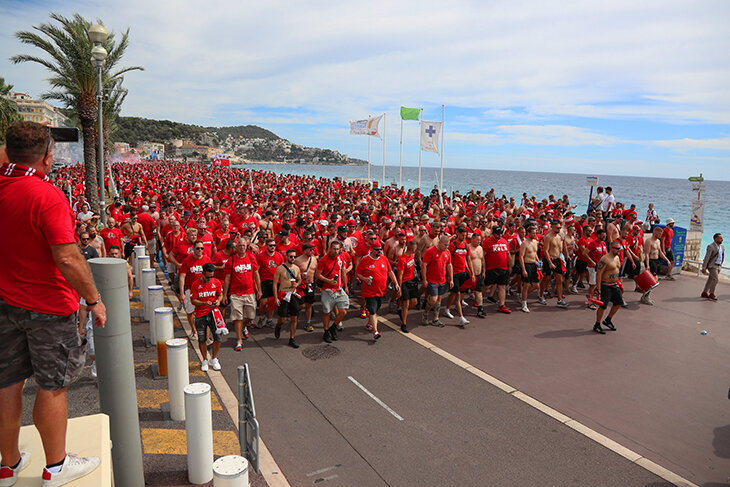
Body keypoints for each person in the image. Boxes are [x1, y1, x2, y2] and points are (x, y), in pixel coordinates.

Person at [0, 121, 105, 485]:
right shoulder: (46, 195)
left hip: (5, 303)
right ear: (48, 156)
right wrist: (93, 299)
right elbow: (68, 257)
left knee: (8, 382)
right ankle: (57, 467)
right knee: (52, 385)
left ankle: (8, 465)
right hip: (47, 306)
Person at [355, 242, 400, 340]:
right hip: (369, 291)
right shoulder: (365, 260)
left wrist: (396, 283)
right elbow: (357, 273)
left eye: (380, 249)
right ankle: (375, 331)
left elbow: (390, 271)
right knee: (372, 310)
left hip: (381, 290)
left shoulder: (384, 259)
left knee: (376, 309)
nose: (379, 251)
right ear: (372, 250)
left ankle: (369, 324)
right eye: (377, 249)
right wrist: (365, 279)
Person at [223, 237, 261, 351]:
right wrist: (225, 295)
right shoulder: (232, 260)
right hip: (235, 294)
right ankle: (239, 340)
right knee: (238, 317)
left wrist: (259, 290)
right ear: (236, 247)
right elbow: (227, 278)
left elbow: (256, 275)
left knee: (250, 316)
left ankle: (243, 327)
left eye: (244, 245)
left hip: (250, 292)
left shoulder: (251, 257)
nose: (242, 247)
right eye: (240, 245)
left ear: (246, 247)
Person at [189, 263, 223, 371]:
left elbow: (220, 294)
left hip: (214, 314)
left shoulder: (216, 282)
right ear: (203, 273)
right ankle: (204, 359)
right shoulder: (195, 284)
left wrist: (218, 301)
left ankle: (214, 358)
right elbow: (193, 300)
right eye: (208, 277)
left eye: (212, 276)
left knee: (218, 337)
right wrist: (204, 303)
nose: (210, 279)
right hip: (200, 315)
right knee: (202, 339)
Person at [315, 240, 349, 343]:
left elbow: (343, 273)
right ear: (330, 249)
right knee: (327, 312)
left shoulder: (341, 259)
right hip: (327, 290)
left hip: (339, 289)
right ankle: (326, 331)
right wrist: (328, 280)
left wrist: (346, 286)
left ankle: (333, 327)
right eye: (334, 248)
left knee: (343, 311)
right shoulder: (323, 260)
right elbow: (318, 275)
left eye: (337, 249)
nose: (335, 251)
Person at [272, 248, 302, 348]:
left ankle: (292, 338)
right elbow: (275, 284)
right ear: (287, 257)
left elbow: (299, 280)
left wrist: (297, 284)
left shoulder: (297, 268)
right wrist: (276, 298)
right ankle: (278, 326)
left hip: (293, 295)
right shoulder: (280, 268)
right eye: (291, 256)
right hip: (283, 295)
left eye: (294, 256)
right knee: (283, 319)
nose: (293, 258)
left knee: (294, 317)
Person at [421, 235, 453, 326]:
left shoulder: (447, 252)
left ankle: (435, 319)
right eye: (445, 245)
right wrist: (424, 280)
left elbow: (449, 265)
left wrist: (451, 279)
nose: (446, 247)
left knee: (439, 300)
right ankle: (425, 314)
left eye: (448, 245)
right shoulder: (430, 251)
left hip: (442, 280)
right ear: (439, 243)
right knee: (433, 300)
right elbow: (424, 265)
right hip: (432, 280)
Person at [592, 242, 623, 334]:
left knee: (618, 303)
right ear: (611, 248)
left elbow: (617, 271)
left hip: (615, 284)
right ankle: (597, 324)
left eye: (619, 248)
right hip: (606, 285)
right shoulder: (605, 259)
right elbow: (599, 273)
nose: (618, 250)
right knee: (603, 306)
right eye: (616, 248)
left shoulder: (617, 258)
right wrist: (598, 287)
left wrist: (619, 282)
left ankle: (608, 320)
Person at [539, 219, 569, 308]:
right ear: (552, 228)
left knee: (559, 279)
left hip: (557, 258)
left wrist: (565, 255)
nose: (559, 229)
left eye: (560, 228)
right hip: (549, 259)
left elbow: (562, 247)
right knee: (546, 278)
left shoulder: (560, 236)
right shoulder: (548, 237)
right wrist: (550, 262)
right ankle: (541, 295)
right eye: (557, 228)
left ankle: (559, 300)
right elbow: (546, 251)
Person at [483, 227, 512, 314]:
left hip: (503, 268)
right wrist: (483, 269)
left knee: (502, 286)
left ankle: (501, 305)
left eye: (500, 234)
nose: (499, 236)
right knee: (487, 285)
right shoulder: (487, 242)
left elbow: (508, 253)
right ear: (493, 233)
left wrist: (510, 265)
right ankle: (478, 299)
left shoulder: (504, 241)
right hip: (491, 268)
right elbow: (483, 256)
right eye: (497, 234)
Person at [642, 227, 670, 305]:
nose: (661, 235)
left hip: (657, 261)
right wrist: (647, 265)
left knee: (655, 281)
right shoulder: (649, 241)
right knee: (653, 281)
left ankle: (646, 295)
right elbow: (646, 254)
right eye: (659, 233)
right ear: (655, 233)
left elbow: (660, 252)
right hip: (651, 261)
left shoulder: (658, 241)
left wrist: (667, 260)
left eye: (661, 234)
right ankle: (645, 296)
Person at [294, 243, 318, 332]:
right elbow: (292, 273)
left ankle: (308, 323)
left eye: (313, 249)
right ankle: (294, 318)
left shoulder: (314, 259)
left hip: (310, 285)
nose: (312, 251)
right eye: (310, 249)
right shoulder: (298, 260)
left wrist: (318, 284)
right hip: (300, 285)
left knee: (309, 304)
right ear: (304, 250)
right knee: (300, 305)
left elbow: (316, 272)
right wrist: (300, 275)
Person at [396, 240, 418, 332]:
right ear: (412, 249)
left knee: (415, 302)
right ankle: (403, 324)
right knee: (406, 304)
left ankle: (401, 312)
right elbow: (400, 275)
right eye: (415, 249)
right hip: (405, 283)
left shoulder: (412, 256)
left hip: (412, 281)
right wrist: (399, 288)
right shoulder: (402, 259)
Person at [519, 225, 541, 313]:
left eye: (535, 233)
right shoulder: (524, 243)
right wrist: (523, 269)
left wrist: (538, 261)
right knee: (526, 284)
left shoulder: (535, 242)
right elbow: (521, 256)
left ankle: (523, 296)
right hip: (527, 264)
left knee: (536, 285)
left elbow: (535, 253)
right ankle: (524, 303)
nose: (534, 235)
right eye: (533, 233)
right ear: (528, 233)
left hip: (533, 264)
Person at [701, 233, 724, 301]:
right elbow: (707, 257)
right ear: (715, 239)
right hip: (712, 265)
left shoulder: (722, 246)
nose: (722, 239)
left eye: (722, 238)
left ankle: (704, 292)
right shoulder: (711, 246)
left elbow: (722, 256)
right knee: (716, 279)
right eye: (720, 238)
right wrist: (704, 267)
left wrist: (721, 264)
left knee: (710, 279)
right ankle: (711, 293)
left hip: (719, 265)